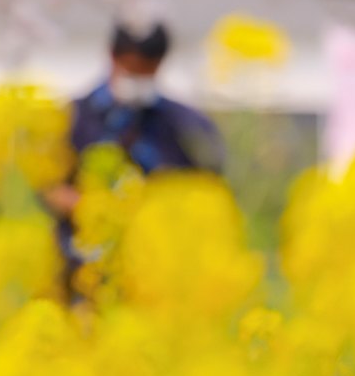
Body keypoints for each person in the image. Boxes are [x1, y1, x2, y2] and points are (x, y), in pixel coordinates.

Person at [43, 17, 224, 295]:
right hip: (83, 273)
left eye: (149, 72)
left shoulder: (181, 124)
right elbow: (47, 186)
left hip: (159, 277)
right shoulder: (73, 118)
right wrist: (92, 207)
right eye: (132, 68)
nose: (139, 79)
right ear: (112, 57)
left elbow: (208, 186)